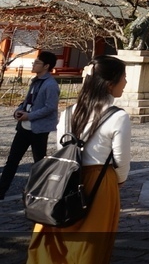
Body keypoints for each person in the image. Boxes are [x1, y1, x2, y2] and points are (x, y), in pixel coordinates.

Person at [26, 56, 131, 264]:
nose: (126, 83)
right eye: (124, 77)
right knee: (90, 241)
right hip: (100, 181)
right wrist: (118, 180)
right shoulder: (118, 116)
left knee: (56, 232)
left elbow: (61, 149)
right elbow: (121, 160)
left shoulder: (68, 112)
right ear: (110, 83)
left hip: (65, 177)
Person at [0, 51, 59, 201]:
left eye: (37, 63)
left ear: (46, 66)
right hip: (24, 127)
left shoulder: (51, 85)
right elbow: (28, 101)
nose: (33, 65)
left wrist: (30, 116)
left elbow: (50, 107)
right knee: (12, 160)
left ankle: (40, 193)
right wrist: (19, 110)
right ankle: (1, 190)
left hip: (38, 129)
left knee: (39, 163)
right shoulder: (35, 81)